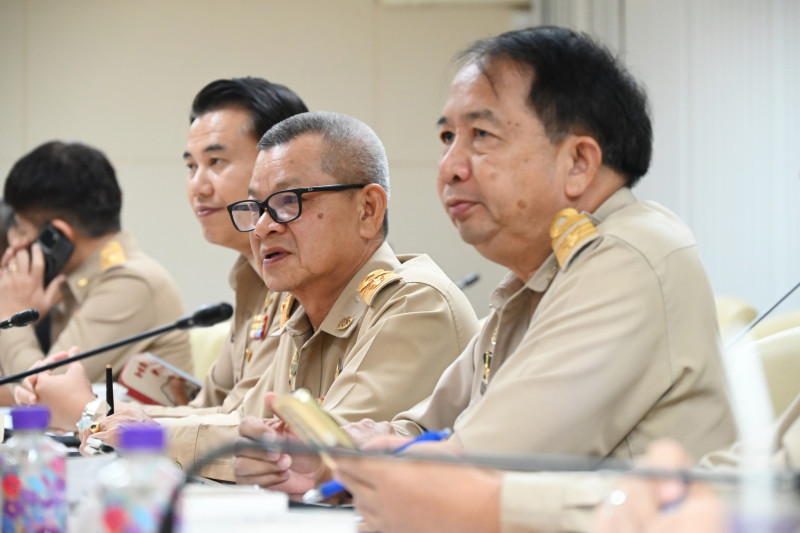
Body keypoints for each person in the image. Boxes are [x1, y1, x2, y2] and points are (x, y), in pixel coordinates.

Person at [233, 24, 736, 506]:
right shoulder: (536, 276)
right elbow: (428, 427)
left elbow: (482, 461)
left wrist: (367, 461)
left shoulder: (627, 258)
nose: (450, 166)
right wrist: (325, 460)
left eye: (481, 134)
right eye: (447, 137)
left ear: (579, 163)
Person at [16, 78, 308, 463]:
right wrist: (108, 417)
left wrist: (91, 413)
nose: (197, 186)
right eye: (191, 166)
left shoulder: (297, 281)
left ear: (277, 165)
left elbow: (251, 426)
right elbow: (213, 409)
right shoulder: (250, 280)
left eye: (216, 162)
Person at [0, 141, 192, 406]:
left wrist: (11, 314)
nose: (15, 244)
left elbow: (43, 394)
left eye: (22, 229)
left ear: (54, 236)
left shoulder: (129, 284)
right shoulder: (75, 282)